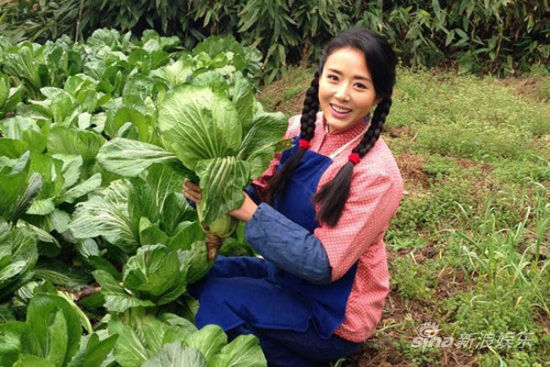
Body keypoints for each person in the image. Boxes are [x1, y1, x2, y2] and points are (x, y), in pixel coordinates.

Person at [183, 27, 403, 367]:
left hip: (331, 313)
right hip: (283, 275)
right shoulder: (299, 128)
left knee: (217, 298)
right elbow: (254, 186)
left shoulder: (378, 175)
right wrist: (209, 191)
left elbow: (322, 264)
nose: (342, 94)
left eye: (360, 85)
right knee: (198, 279)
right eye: (334, 78)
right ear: (319, 79)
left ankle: (296, 357)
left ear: (378, 96)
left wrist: (249, 212)